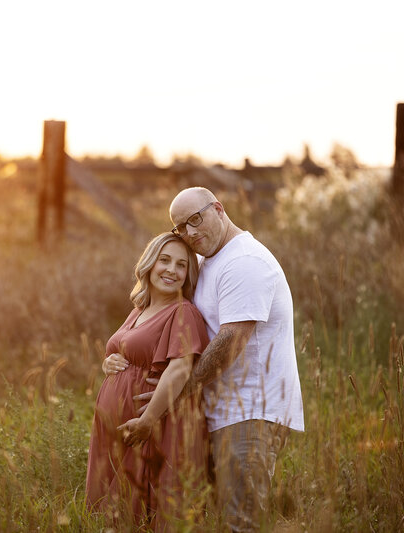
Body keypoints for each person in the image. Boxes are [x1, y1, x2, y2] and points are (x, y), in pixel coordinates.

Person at [126, 187, 305, 532]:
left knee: (242, 521)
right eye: (181, 228)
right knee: (213, 518)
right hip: (218, 411)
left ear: (219, 209)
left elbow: (231, 340)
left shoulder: (245, 262)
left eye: (196, 219)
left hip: (249, 411)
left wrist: (178, 393)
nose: (190, 233)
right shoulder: (210, 259)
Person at [85, 232, 211, 531]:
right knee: (116, 515)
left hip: (154, 427)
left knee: (144, 512)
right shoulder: (139, 310)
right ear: (149, 263)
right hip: (123, 430)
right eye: (164, 260)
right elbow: (123, 350)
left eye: (181, 265)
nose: (171, 270)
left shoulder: (183, 312)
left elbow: (180, 369)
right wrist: (108, 362)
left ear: (187, 274)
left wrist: (148, 420)